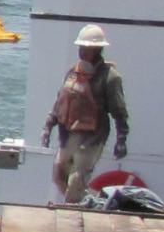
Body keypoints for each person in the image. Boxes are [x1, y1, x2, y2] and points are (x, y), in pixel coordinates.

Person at [44, 23, 131, 202]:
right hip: (70, 135)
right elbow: (60, 101)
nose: (83, 51)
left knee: (77, 181)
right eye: (81, 47)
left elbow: (119, 111)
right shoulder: (72, 73)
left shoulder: (110, 77)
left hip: (93, 138)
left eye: (88, 48)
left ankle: (71, 216)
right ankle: (90, 203)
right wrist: (48, 126)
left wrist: (121, 140)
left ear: (98, 49)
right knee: (58, 174)